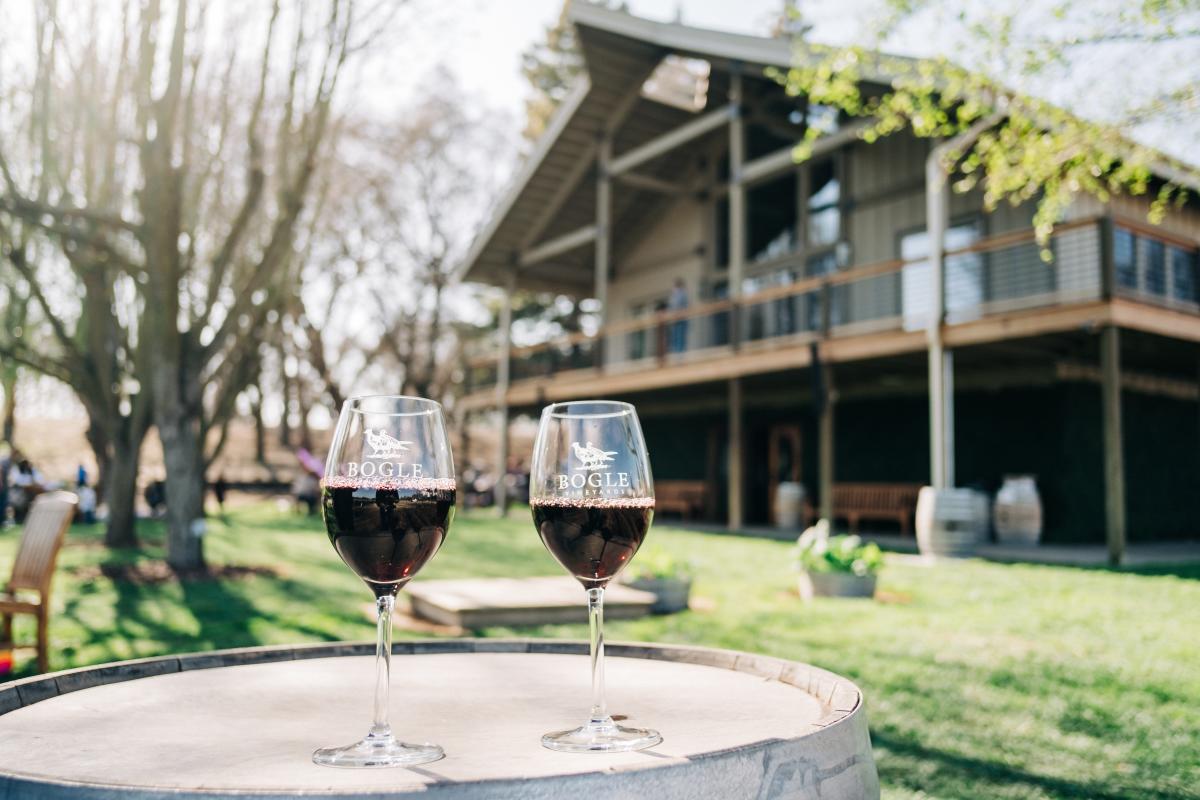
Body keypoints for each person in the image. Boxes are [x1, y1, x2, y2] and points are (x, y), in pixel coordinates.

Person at [667, 278, 689, 353]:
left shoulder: (681, 294)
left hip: (680, 319)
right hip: (675, 320)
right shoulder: (674, 296)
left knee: (680, 338)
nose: (672, 288)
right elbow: (671, 308)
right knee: (675, 339)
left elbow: (678, 306)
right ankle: (677, 354)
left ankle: (679, 355)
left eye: (673, 286)